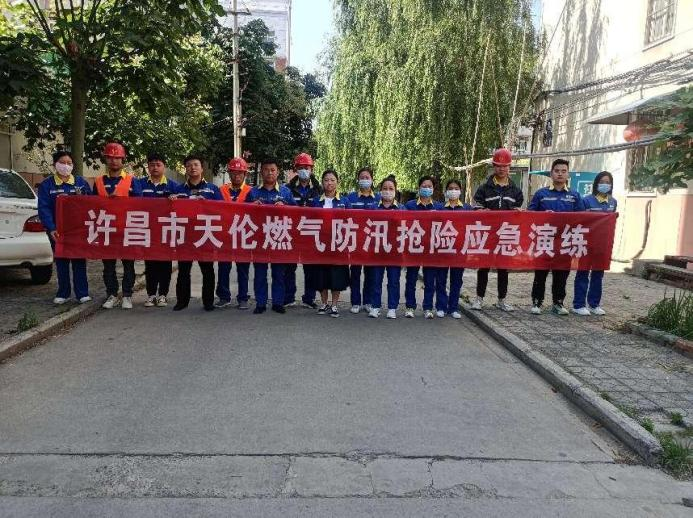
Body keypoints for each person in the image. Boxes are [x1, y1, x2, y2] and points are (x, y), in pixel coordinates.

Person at [528, 158, 584, 315]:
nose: (560, 174)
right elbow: (530, 215)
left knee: (561, 274)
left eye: (563, 171)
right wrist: (543, 216)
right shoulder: (541, 194)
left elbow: (582, 217)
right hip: (544, 240)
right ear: (551, 174)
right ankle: (537, 302)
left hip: (564, 242)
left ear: (568, 174)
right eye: (557, 171)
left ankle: (558, 303)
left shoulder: (574, 195)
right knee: (541, 273)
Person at [471, 148, 524, 312]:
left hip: (506, 234)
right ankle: (479, 299)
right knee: (484, 267)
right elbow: (476, 208)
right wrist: (481, 211)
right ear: (494, 166)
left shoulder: (516, 191)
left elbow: (518, 210)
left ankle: (502, 300)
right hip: (487, 234)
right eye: (498, 166)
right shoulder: (484, 189)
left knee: (503, 267)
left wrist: (518, 213)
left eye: (505, 166)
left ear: (509, 167)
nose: (502, 169)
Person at [37, 150, 93, 305]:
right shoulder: (47, 185)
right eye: (62, 163)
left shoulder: (80, 183)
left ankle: (82, 293)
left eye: (69, 163)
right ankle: (63, 293)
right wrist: (51, 227)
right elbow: (44, 208)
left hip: (77, 230)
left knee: (79, 261)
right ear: (55, 164)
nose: (66, 166)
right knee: (61, 261)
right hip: (57, 231)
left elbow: (90, 203)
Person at [92, 142, 142, 310]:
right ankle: (111, 294)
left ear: (123, 159)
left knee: (128, 265)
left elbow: (141, 204)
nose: (114, 161)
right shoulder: (98, 181)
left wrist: (122, 201)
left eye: (117, 158)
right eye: (110, 158)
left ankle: (127, 295)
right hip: (106, 230)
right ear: (106, 159)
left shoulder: (132, 181)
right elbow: (91, 205)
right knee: (108, 266)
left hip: (126, 229)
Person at [172, 154, 222, 311]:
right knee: (183, 270)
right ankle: (182, 302)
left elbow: (222, 210)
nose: (192, 168)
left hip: (205, 235)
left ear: (201, 168)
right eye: (189, 165)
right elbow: (171, 211)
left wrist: (207, 204)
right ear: (185, 169)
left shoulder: (212, 189)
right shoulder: (178, 190)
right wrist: (171, 200)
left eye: (195, 164)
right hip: (185, 235)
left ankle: (208, 302)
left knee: (207, 270)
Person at [246, 157, 296, 314]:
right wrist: (251, 206)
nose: (269, 173)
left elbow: (297, 214)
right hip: (259, 239)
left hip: (279, 238)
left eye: (273, 170)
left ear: (278, 172)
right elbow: (242, 214)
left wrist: (286, 207)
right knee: (260, 273)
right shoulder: (253, 192)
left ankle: (278, 302)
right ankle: (260, 303)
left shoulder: (286, 192)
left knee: (279, 273)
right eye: (266, 170)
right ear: (261, 172)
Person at [573, 171, 617, 316]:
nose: (605, 185)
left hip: (603, 243)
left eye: (608, 182)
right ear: (596, 184)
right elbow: (581, 221)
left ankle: (594, 304)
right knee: (583, 272)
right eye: (602, 182)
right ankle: (579, 304)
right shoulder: (586, 201)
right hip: (587, 242)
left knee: (598, 274)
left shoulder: (613, 202)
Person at [308, 169, 351, 317]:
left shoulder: (344, 201)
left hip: (338, 244)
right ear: (322, 182)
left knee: (336, 275)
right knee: (321, 275)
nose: (329, 183)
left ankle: (334, 305)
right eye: (326, 180)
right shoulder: (316, 201)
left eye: (332, 180)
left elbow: (351, 221)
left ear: (337, 182)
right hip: (320, 244)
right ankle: (324, 303)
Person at [138, 152, 179, 308]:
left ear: (164, 167)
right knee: (150, 265)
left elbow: (182, 206)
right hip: (147, 231)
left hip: (166, 232)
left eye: (158, 164)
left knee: (165, 265)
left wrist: (175, 201)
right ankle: (151, 295)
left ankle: (163, 294)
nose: (155, 167)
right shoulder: (140, 184)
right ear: (148, 167)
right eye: (152, 165)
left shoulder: (173, 186)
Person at [215, 157, 253, 310]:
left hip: (243, 236)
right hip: (225, 236)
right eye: (234, 172)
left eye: (240, 173)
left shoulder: (251, 192)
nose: (237, 175)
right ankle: (224, 297)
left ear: (245, 174)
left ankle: (243, 298)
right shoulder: (221, 191)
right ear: (229, 174)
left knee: (243, 269)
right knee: (223, 268)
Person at [284, 153, 321, 309]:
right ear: (296, 169)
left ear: (311, 169)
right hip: (292, 232)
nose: (304, 170)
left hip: (311, 233)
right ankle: (288, 297)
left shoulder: (318, 189)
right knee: (289, 267)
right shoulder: (287, 189)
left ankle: (309, 298)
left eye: (306, 167)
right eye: (300, 168)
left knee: (311, 268)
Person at [404, 175, 443, 319]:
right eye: (424, 186)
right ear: (419, 188)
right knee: (411, 279)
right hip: (414, 247)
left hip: (431, 248)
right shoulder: (410, 205)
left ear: (433, 189)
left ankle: (428, 307)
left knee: (429, 280)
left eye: (429, 187)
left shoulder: (439, 207)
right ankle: (410, 306)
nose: (426, 189)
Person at [347, 167, 380, 314]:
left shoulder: (378, 198)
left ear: (372, 180)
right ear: (358, 179)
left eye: (367, 177)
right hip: (356, 241)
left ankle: (368, 301)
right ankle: (355, 302)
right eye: (362, 177)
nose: (364, 180)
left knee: (371, 274)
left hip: (373, 242)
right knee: (355, 273)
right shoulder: (351, 198)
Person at [439, 179, 473, 319]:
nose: (453, 191)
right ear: (446, 191)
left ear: (460, 190)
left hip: (459, 249)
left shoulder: (467, 208)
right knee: (441, 279)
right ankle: (441, 306)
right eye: (450, 188)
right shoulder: (440, 208)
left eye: (456, 188)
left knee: (457, 280)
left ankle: (453, 308)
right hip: (443, 249)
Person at [368, 177, 402, 319]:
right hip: (377, 250)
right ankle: (375, 306)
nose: (388, 191)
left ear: (395, 190)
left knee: (393, 281)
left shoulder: (402, 209)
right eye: (385, 188)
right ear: (380, 191)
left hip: (395, 252)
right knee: (376, 280)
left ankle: (392, 308)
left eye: (391, 188)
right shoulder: (373, 208)